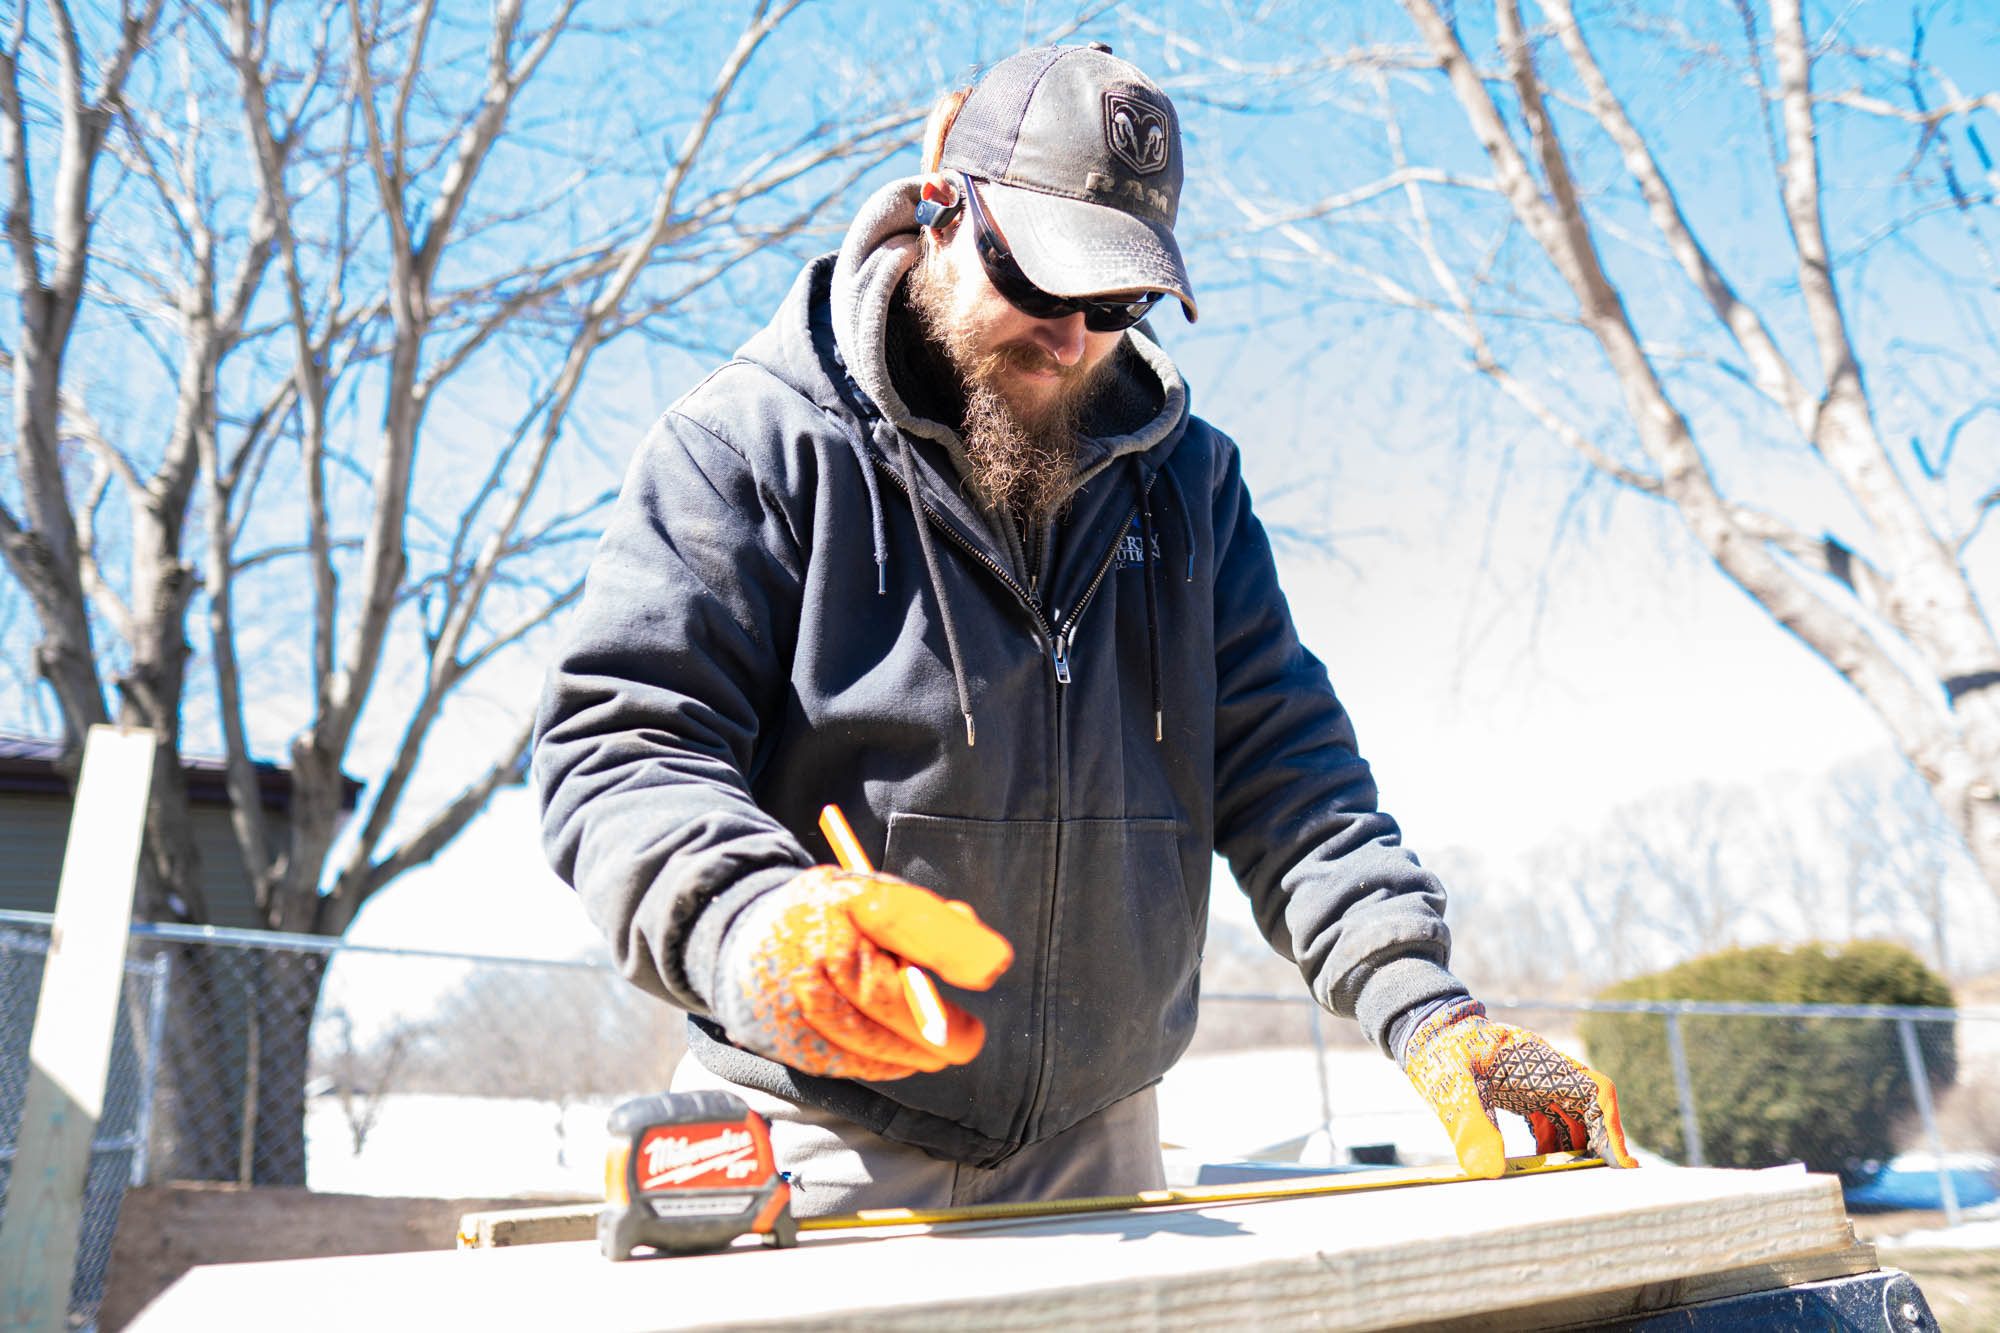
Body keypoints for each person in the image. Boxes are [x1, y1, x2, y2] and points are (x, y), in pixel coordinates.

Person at [533, 43, 1634, 1217]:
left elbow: (1287, 772)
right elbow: (620, 749)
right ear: (942, 211)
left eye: (1115, 302)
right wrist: (750, 924)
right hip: (819, 1131)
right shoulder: (750, 449)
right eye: (1044, 281)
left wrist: (1423, 1007)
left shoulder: (1188, 486)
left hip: (1102, 1141)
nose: (1070, 337)